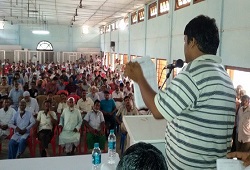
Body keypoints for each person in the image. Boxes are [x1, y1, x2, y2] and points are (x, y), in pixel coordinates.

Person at [124, 15, 236, 169]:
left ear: (193, 42)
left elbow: (157, 111)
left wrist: (139, 78)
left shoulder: (193, 74)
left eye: (185, 41)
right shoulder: (224, 76)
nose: (184, 47)